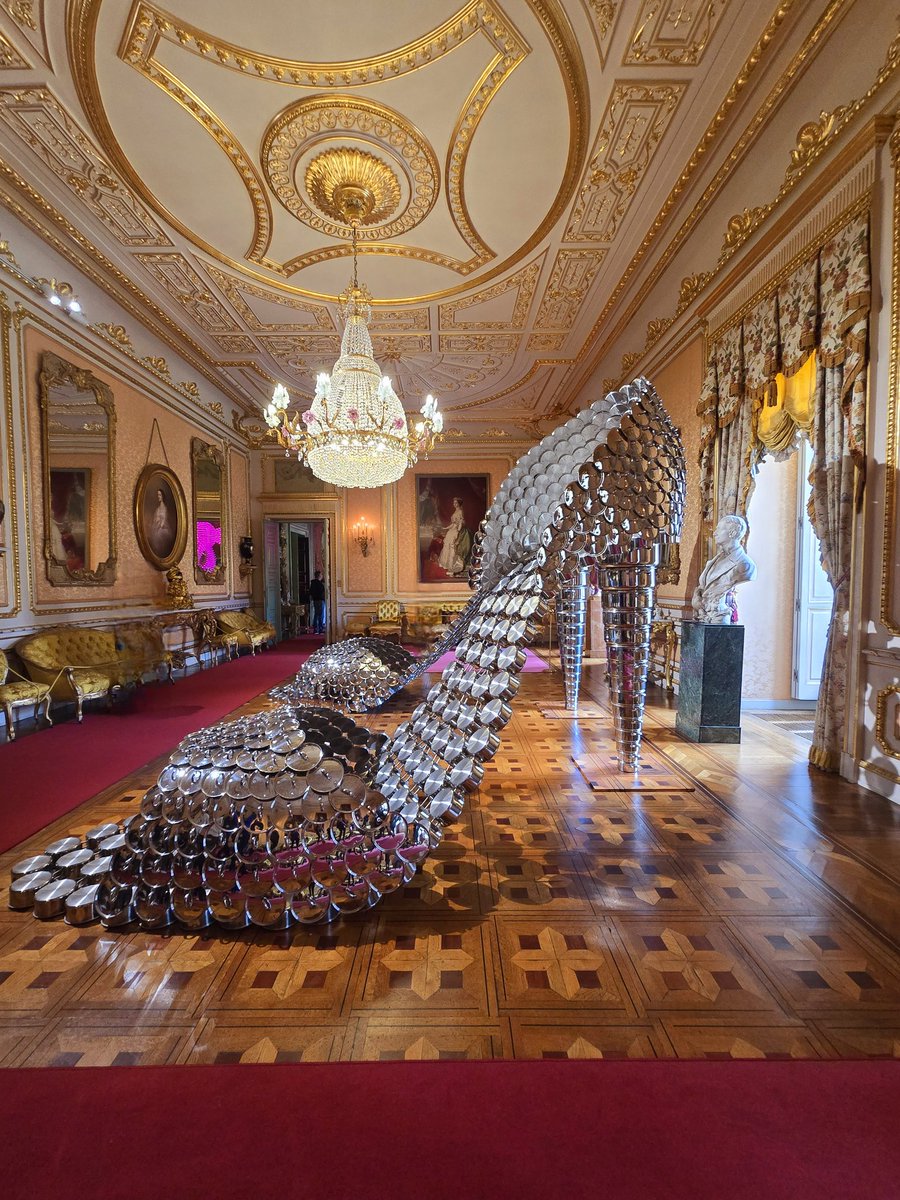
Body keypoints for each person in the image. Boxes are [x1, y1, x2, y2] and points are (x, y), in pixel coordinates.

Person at [691, 513, 757, 624]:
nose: (715, 533)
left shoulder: (744, 564)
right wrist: (697, 598)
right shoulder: (715, 560)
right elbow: (705, 587)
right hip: (704, 618)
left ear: (733, 533)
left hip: (720, 620)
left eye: (719, 529)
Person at [438, 496, 472, 577]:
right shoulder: (456, 511)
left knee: (454, 547)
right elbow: (453, 524)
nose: (454, 504)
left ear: (459, 503)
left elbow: (461, 522)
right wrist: (445, 528)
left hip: (457, 531)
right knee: (448, 546)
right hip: (452, 531)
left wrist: (458, 531)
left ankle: (454, 566)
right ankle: (449, 565)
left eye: (456, 502)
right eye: (454, 502)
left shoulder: (460, 511)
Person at [148, 486, 174, 557]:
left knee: (159, 534)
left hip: (164, 527)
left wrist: (160, 524)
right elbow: (155, 519)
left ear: (162, 496)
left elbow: (164, 520)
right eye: (157, 495)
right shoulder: (157, 509)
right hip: (157, 526)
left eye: (159, 495)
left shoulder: (165, 508)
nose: (158, 496)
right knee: (153, 534)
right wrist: (156, 522)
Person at [309, 569, 326, 634]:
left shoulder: (313, 583)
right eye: (321, 575)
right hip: (320, 600)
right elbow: (322, 592)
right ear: (319, 575)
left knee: (316, 614)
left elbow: (311, 592)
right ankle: (320, 628)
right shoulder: (319, 584)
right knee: (321, 615)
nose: (322, 576)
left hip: (315, 600)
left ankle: (315, 628)